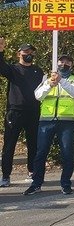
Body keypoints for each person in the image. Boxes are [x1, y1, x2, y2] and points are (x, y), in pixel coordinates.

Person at [24, 55, 74, 195]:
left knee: (67, 153)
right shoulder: (46, 79)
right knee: (41, 153)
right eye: (61, 62)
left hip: (66, 121)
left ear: (72, 65)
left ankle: (65, 183)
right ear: (57, 64)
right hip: (46, 120)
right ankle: (36, 183)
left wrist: (61, 81)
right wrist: (50, 84)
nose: (64, 64)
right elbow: (37, 96)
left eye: (67, 62)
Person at [0, 39, 44, 187]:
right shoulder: (13, 69)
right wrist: (1, 51)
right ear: (19, 53)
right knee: (9, 144)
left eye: (30, 52)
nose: (28, 54)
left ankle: (32, 172)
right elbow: (1, 67)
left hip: (33, 112)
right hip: (15, 112)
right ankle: (6, 175)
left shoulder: (38, 70)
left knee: (33, 144)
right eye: (26, 52)